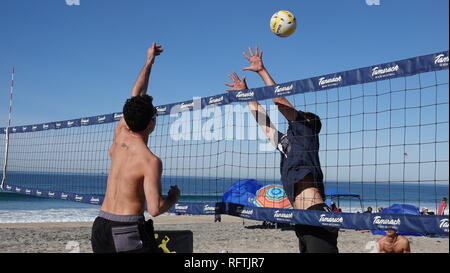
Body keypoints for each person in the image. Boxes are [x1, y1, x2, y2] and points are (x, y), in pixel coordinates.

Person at [224, 47, 338, 253]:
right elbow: (264, 123)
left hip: (316, 216)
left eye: (299, 115)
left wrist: (262, 71)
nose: (294, 116)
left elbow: (280, 101)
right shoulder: (290, 145)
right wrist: (247, 95)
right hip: (302, 220)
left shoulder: (306, 132)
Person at [91, 43, 180, 253]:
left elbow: (136, 95)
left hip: (100, 224)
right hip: (126, 230)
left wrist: (149, 61)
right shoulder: (150, 161)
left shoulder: (120, 134)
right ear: (151, 124)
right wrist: (173, 198)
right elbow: (155, 209)